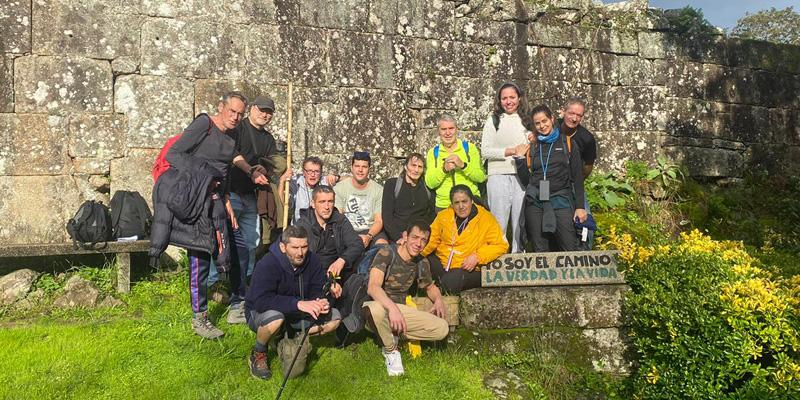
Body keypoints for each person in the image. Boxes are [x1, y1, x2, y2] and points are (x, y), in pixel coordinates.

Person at [150, 91, 246, 339]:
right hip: (192, 201)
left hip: (213, 202)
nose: (235, 117)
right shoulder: (204, 123)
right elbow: (174, 155)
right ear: (221, 106)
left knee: (226, 250)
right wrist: (205, 174)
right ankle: (200, 318)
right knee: (199, 259)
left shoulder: (233, 134)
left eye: (240, 114)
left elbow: (223, 171)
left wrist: (226, 200)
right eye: (232, 111)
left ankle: (232, 302)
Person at [212, 96, 278, 325]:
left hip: (250, 197)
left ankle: (243, 286)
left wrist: (264, 169)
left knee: (250, 243)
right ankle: (214, 283)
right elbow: (231, 156)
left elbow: (271, 164)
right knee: (222, 241)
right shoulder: (237, 128)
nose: (265, 114)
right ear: (252, 109)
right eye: (262, 110)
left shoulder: (268, 139)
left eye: (269, 112)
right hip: (231, 193)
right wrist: (250, 170)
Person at [245, 226, 342, 380]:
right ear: (283, 247)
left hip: (296, 313)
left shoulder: (312, 260)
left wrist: (322, 301)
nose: (300, 252)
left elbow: (319, 288)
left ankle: (291, 338)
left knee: (335, 319)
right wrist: (298, 304)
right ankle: (259, 352)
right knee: (276, 319)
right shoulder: (267, 263)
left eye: (304, 247)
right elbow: (260, 302)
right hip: (264, 313)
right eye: (295, 247)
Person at [363, 222, 449, 376]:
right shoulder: (387, 253)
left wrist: (438, 300)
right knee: (375, 310)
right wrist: (392, 309)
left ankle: (392, 334)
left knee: (442, 328)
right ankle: (391, 351)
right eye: (415, 237)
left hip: (401, 311)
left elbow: (429, 287)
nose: (418, 243)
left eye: (423, 240)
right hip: (380, 307)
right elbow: (373, 287)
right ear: (404, 236)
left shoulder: (421, 262)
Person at [514, 104, 587, 252]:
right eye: (537, 123)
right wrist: (520, 160)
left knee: (569, 247)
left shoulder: (568, 143)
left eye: (544, 121)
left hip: (561, 199)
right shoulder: (533, 146)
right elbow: (526, 181)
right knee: (540, 249)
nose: (542, 126)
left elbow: (578, 178)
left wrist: (580, 207)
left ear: (552, 119)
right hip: (535, 202)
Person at [422, 185, 508, 294]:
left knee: (453, 280)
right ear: (452, 204)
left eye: (464, 201)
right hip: (444, 264)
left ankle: (438, 288)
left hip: (467, 268)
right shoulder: (443, 216)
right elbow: (431, 240)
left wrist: (478, 257)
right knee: (419, 262)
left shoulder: (486, 218)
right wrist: (415, 253)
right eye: (456, 203)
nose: (461, 206)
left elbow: (501, 245)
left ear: (471, 201)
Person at [480, 82, 531, 253]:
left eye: (512, 97)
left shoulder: (527, 120)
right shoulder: (493, 120)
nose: (508, 101)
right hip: (498, 175)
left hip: (521, 175)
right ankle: (497, 257)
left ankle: (519, 258)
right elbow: (485, 151)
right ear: (499, 100)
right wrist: (510, 151)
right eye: (504, 98)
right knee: (498, 222)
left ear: (519, 98)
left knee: (519, 222)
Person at [294, 185, 364, 284]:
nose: (327, 207)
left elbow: (357, 244)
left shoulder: (340, 220)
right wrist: (329, 282)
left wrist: (342, 260)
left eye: (330, 202)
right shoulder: (303, 225)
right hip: (312, 274)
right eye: (322, 202)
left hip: (339, 272)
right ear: (313, 204)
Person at [425, 115, 486, 212]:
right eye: (444, 129)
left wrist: (463, 166)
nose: (448, 133)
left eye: (451, 128)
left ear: (456, 129)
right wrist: (443, 170)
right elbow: (430, 183)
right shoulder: (433, 153)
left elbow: (481, 177)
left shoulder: (469, 149)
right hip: (444, 205)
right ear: (438, 132)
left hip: (470, 202)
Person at [558, 97, 597, 249]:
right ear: (563, 112)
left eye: (578, 115)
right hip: (550, 182)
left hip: (574, 183)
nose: (574, 118)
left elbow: (588, 166)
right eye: (571, 113)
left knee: (584, 217)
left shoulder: (587, 138)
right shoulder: (551, 127)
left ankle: (585, 251)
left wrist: (576, 180)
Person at [334, 151, 389, 248]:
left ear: (369, 169)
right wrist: (351, 236)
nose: (360, 170)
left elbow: (378, 221)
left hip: (370, 230)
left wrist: (369, 236)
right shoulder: (339, 188)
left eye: (364, 167)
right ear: (351, 168)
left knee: (383, 246)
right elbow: (339, 217)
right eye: (357, 166)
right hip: (348, 229)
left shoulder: (378, 190)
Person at [381, 153, 435, 243]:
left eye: (420, 167)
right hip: (397, 236)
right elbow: (387, 216)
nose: (416, 170)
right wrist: (398, 237)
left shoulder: (428, 188)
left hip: (419, 238)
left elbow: (431, 215)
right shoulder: (392, 185)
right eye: (413, 165)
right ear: (406, 167)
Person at [278, 156, 339, 224]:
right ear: (304, 172)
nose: (313, 174)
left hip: (321, 228)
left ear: (321, 173)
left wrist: (336, 178)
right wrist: (282, 181)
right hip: (300, 228)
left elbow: (349, 179)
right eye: (309, 171)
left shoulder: (324, 181)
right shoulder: (296, 183)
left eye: (316, 171)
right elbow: (282, 204)